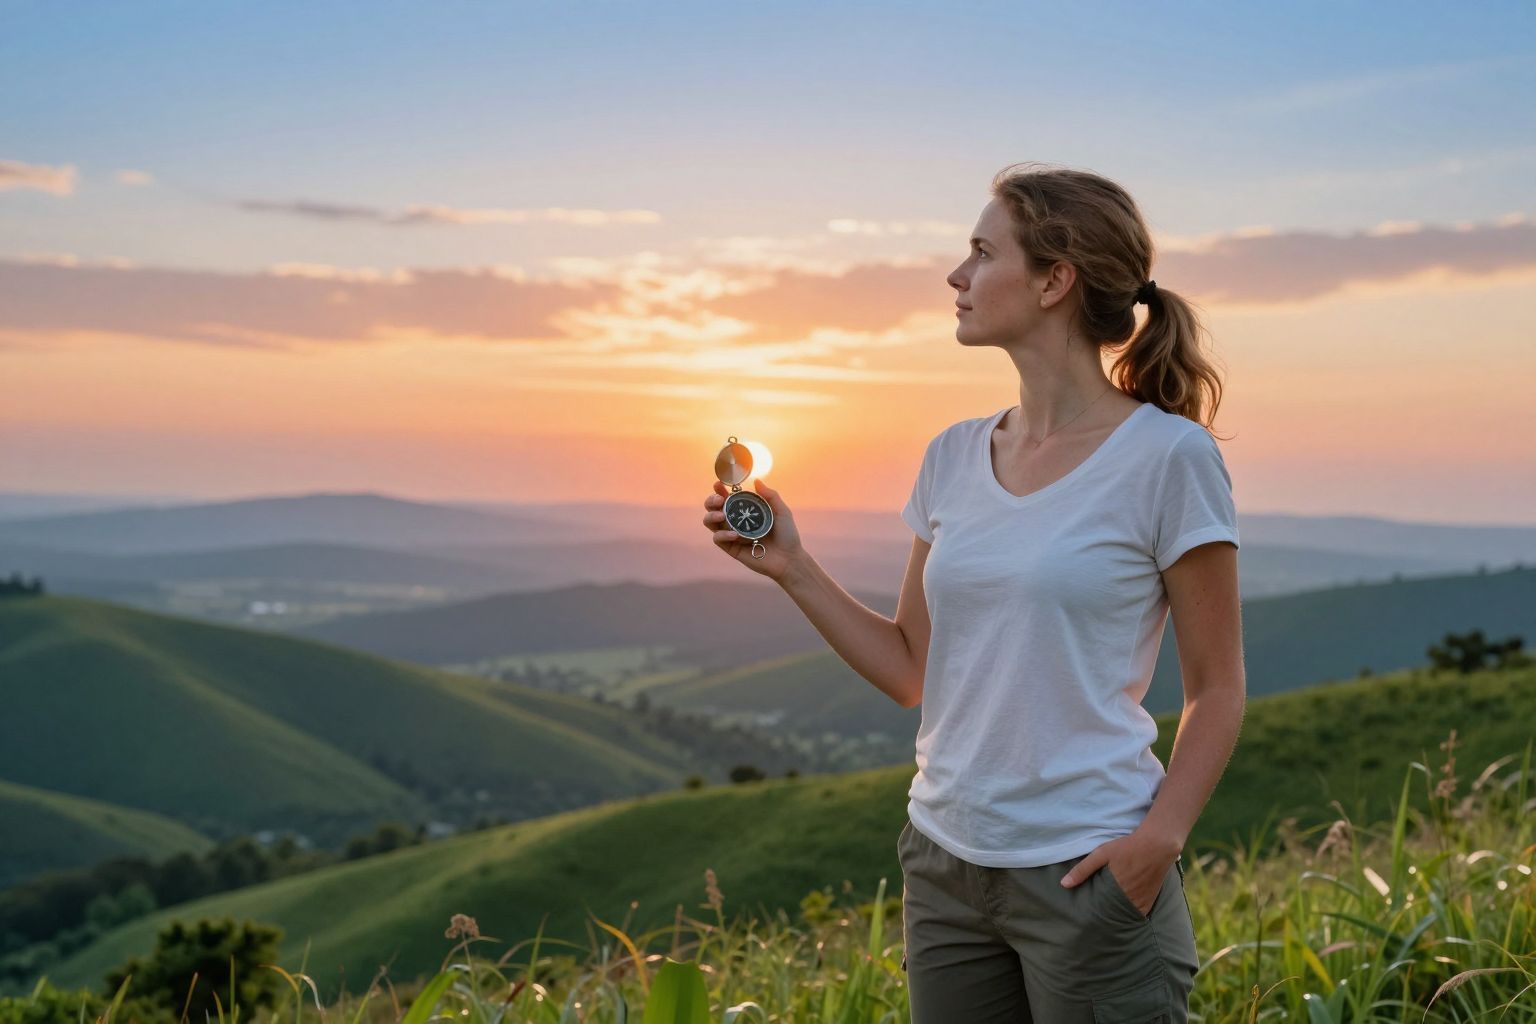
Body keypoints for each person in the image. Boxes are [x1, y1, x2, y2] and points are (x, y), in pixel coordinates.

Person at [701, 161, 1243, 1022]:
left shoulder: (1169, 458)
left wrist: (1158, 841)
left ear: (1055, 281)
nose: (956, 276)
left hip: (1089, 871)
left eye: (983, 253)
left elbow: (1217, 686)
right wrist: (793, 567)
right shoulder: (953, 455)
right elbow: (910, 669)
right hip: (944, 864)